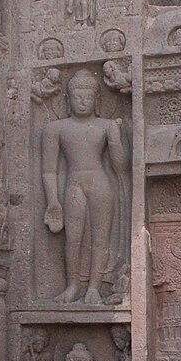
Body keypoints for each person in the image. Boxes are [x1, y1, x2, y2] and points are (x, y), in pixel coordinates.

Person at [41, 69, 129, 305]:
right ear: (68, 100)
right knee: (73, 237)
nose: (82, 101)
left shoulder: (106, 125)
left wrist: (116, 137)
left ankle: (94, 288)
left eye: (87, 97)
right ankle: (72, 286)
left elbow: (121, 166)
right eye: (78, 96)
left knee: (101, 237)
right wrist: (53, 202)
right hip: (74, 182)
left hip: (100, 182)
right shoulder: (56, 128)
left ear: (96, 99)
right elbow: (49, 170)